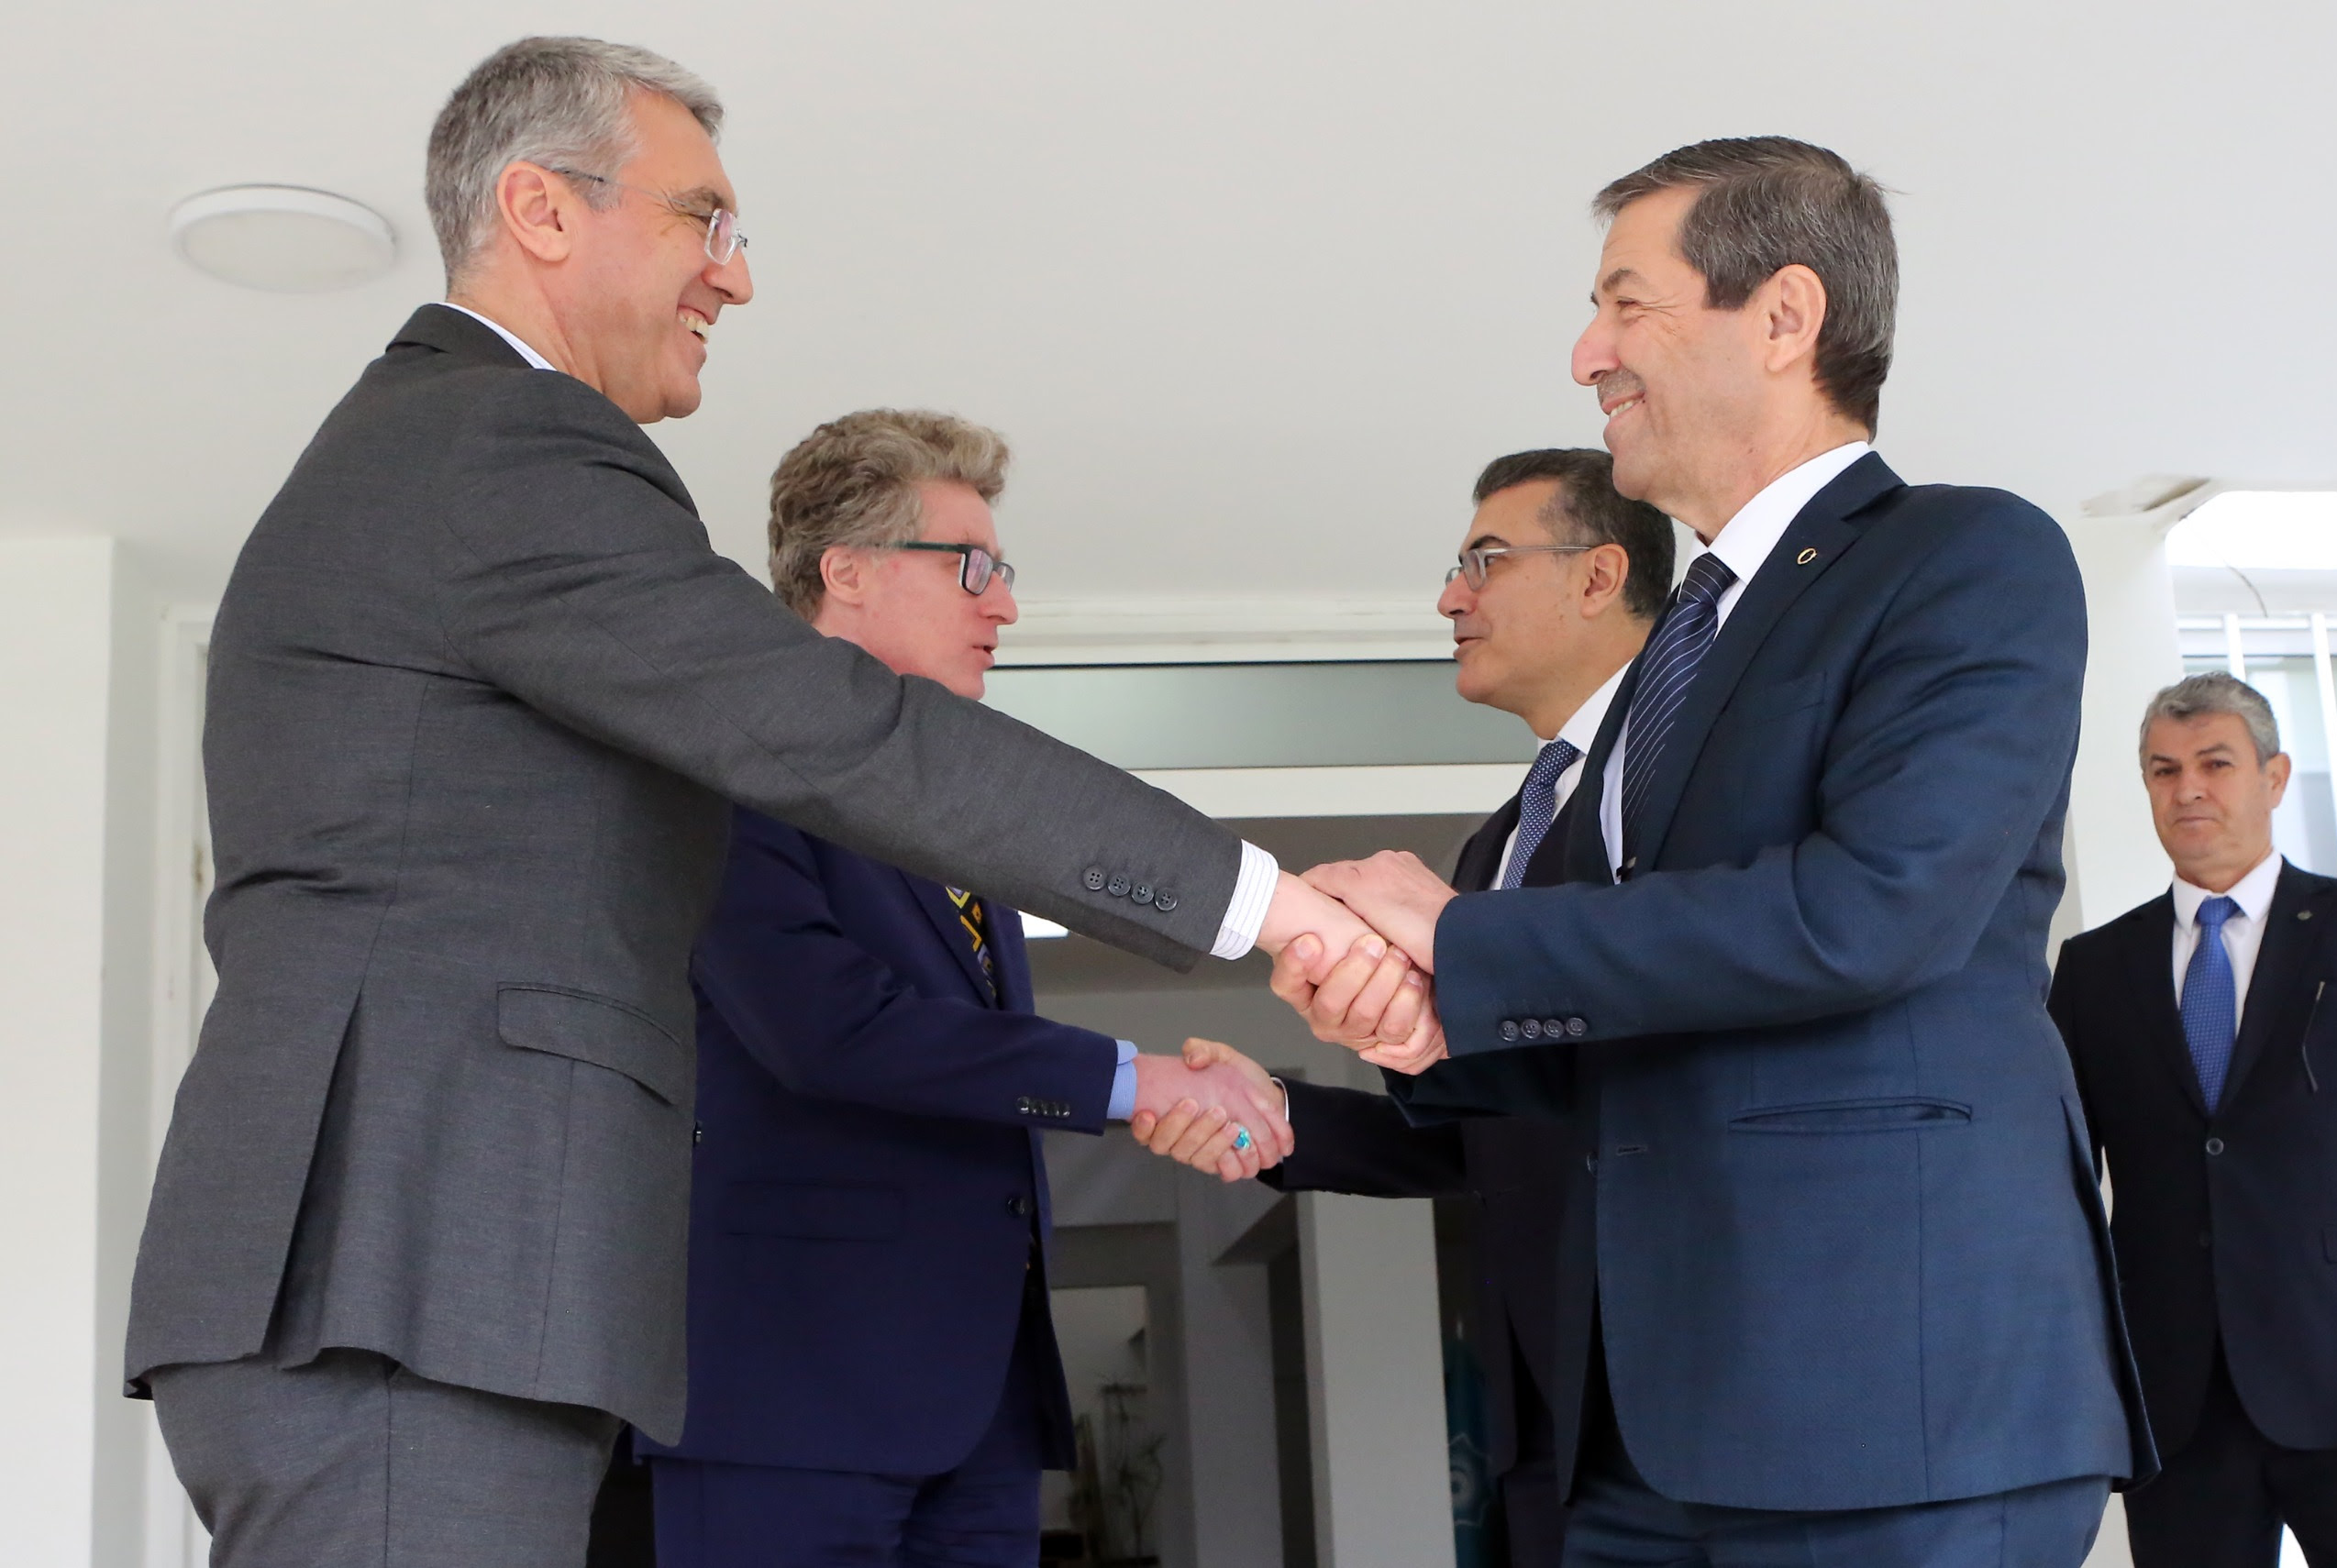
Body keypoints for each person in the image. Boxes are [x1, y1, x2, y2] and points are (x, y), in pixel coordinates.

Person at [124, 38, 1393, 1568]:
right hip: (408, 1275)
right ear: (541, 209)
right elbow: (843, 739)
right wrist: (1272, 907)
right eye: (703, 219)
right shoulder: (500, 437)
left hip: (437, 1285)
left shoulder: (444, 450)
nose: (733, 275)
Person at [1279, 137, 2156, 1564]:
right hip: (1643, 1432)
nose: (1587, 354)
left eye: (1626, 304)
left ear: (1785, 316)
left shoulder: (1967, 556)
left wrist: (1462, 937)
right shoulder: (1671, 658)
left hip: (1892, 1404)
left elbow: (1873, 911)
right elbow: (1626, 1012)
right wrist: (1422, 1020)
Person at [637, 409, 1285, 1567]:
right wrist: (1133, 1081)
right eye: (971, 568)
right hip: (788, 1396)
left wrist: (1139, 1086)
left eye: (1003, 572)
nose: (1004, 607)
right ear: (847, 571)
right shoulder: (727, 761)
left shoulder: (944, 809)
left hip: (977, 1408)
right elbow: (826, 1029)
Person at [1137, 447, 1670, 1568]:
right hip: (1547, 1411)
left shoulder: (1684, 790)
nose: (1448, 599)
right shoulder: (1496, 845)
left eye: (1486, 560)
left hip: (1674, 1389)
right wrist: (1277, 1114)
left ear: (1597, 575)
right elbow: (1491, 1130)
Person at [2050, 673, 2337, 1568]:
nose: (2188, 790)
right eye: (2164, 770)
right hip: (2173, 1393)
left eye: (2215, 764)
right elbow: (2060, 1178)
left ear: (2274, 777)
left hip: (2334, 1362)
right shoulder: (2095, 969)